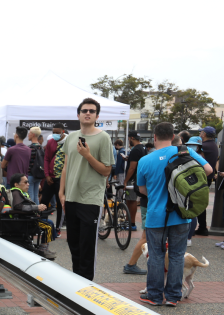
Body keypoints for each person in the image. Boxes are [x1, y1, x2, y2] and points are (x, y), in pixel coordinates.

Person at [136, 122, 212, 307]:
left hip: (156, 215)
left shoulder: (145, 160)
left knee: (156, 256)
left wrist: (157, 194)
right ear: (173, 137)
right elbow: (209, 170)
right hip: (182, 213)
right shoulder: (186, 152)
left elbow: (142, 189)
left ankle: (154, 296)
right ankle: (173, 296)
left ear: (154, 137)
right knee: (177, 255)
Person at [58, 98, 114, 281]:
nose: (87, 113)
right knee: (73, 244)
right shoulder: (71, 137)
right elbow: (66, 166)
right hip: (71, 197)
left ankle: (87, 285)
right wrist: (61, 192)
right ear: (78, 114)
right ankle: (76, 282)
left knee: (87, 245)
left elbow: (106, 170)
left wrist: (88, 156)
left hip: (90, 199)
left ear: (97, 115)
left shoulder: (103, 138)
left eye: (91, 111)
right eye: (84, 111)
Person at [121, 131, 149, 275]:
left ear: (131, 138)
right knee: (131, 200)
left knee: (130, 200)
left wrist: (125, 181)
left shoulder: (136, 149)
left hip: (134, 182)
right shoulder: (142, 148)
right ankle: (130, 222)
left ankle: (130, 222)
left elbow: (132, 167)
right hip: (140, 183)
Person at [194, 127, 219, 235]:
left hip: (201, 177)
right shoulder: (213, 145)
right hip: (208, 177)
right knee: (199, 202)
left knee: (196, 203)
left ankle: (202, 227)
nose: (200, 133)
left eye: (201, 132)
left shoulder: (203, 146)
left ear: (204, 134)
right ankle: (202, 226)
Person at [26, 127, 45, 201]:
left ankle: (33, 211)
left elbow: (28, 162)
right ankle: (37, 211)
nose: (28, 135)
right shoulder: (41, 147)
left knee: (30, 196)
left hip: (31, 174)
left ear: (33, 134)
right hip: (39, 173)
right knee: (36, 195)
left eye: (29, 133)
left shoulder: (30, 148)